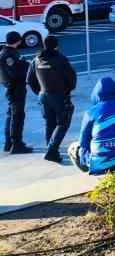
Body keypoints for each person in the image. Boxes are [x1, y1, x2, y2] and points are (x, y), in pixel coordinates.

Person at [67, 76, 115, 174]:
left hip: (102, 163)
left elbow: (83, 142)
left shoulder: (91, 112)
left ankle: (89, 171)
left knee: (73, 147)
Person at [27, 35, 77, 163]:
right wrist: (68, 90)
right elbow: (71, 78)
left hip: (43, 95)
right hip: (59, 95)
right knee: (63, 122)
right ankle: (51, 150)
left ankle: (52, 151)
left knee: (50, 123)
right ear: (56, 45)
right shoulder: (60, 59)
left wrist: (39, 92)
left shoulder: (36, 59)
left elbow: (30, 79)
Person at [1, 32, 33, 154]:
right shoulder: (9, 55)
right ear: (18, 40)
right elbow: (15, 73)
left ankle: (9, 143)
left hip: (12, 89)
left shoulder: (7, 52)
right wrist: (26, 64)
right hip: (15, 90)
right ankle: (16, 144)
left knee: (12, 115)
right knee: (17, 116)